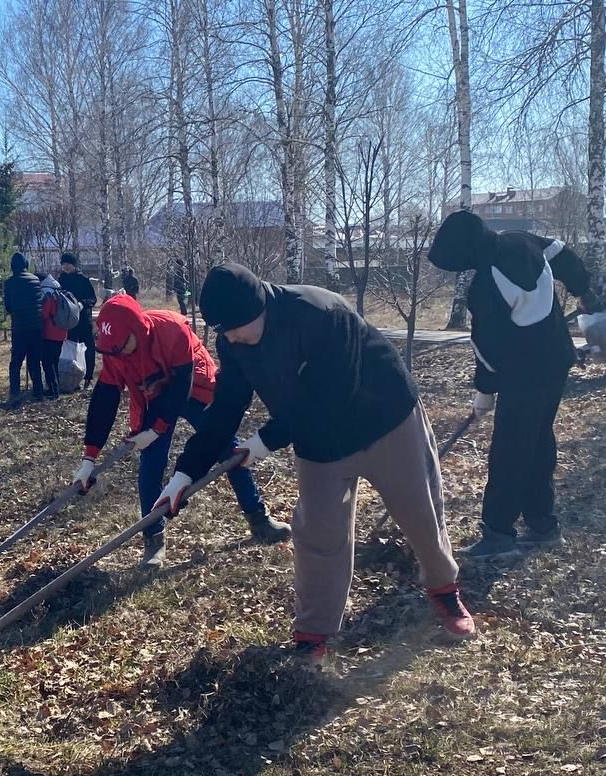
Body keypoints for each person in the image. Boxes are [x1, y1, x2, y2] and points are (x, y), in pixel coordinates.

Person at [154, 262, 474, 663]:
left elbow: (327, 397)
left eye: (236, 327)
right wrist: (184, 473)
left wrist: (264, 441)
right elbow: (226, 408)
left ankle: (445, 593)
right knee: (318, 533)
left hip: (385, 419)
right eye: (224, 331)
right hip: (318, 441)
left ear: (261, 308)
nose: (232, 337)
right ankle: (313, 633)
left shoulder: (322, 314)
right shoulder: (233, 342)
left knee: (419, 513)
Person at [73, 293, 291, 569]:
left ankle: (258, 518)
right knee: (151, 463)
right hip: (154, 394)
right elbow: (104, 401)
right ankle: (153, 538)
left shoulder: (171, 330)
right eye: (112, 351)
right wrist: (89, 458)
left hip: (192, 385)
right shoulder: (116, 350)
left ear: (137, 330)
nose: (118, 355)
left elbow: (181, 387)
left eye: (122, 347)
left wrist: (158, 428)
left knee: (224, 447)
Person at [428, 211, 593, 559]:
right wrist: (582, 288)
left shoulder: (486, 287)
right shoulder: (521, 239)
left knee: (510, 450)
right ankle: (542, 523)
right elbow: (562, 255)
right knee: (537, 438)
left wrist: (484, 392)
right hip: (557, 360)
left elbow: (488, 349)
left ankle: (499, 533)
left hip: (524, 374)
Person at [3, 252, 45, 404]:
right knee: (34, 360)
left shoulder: (10, 282)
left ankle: (15, 393)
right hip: (36, 326)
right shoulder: (35, 280)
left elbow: (8, 306)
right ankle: (38, 392)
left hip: (20, 327)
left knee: (16, 361)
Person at [58, 252, 98, 388]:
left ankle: (88, 377)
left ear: (74, 265)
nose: (66, 267)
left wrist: (82, 304)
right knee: (71, 348)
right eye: (63, 264)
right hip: (69, 321)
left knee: (88, 348)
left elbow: (93, 299)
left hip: (84, 319)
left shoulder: (83, 279)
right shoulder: (61, 280)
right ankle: (73, 376)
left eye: (68, 264)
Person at [39, 272, 67, 398]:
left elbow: (44, 314)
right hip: (61, 332)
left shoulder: (47, 293)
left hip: (50, 333)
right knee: (54, 362)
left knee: (47, 362)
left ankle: (53, 390)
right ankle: (57, 388)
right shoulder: (58, 290)